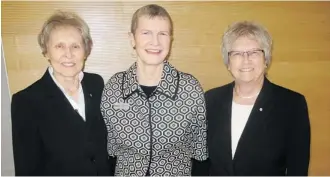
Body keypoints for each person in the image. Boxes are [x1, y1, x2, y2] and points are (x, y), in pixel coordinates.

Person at [100, 4, 208, 176]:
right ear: (132, 38)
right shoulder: (114, 88)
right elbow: (110, 151)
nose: (155, 42)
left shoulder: (190, 89)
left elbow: (200, 152)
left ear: (170, 39)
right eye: (146, 33)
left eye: (162, 34)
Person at [11, 10, 110, 176]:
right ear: (46, 51)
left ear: (86, 51)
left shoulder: (96, 85)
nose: (68, 54)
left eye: (75, 46)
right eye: (59, 46)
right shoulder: (26, 102)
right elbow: (27, 170)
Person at [205, 21, 311, 175]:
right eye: (237, 53)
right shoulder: (210, 100)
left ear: (266, 59)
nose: (246, 60)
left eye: (254, 52)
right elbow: (200, 161)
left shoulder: (292, 105)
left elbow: (298, 170)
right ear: (228, 63)